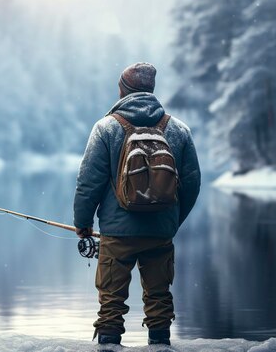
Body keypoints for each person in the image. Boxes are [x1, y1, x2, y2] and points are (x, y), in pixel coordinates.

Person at [73, 62, 201, 349]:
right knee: (158, 297)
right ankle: (159, 343)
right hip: (160, 231)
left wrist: (83, 223)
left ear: (123, 90)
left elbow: (88, 182)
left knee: (111, 301)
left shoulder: (106, 128)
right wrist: (172, 220)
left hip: (117, 235)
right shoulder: (178, 129)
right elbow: (192, 184)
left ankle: (108, 344)